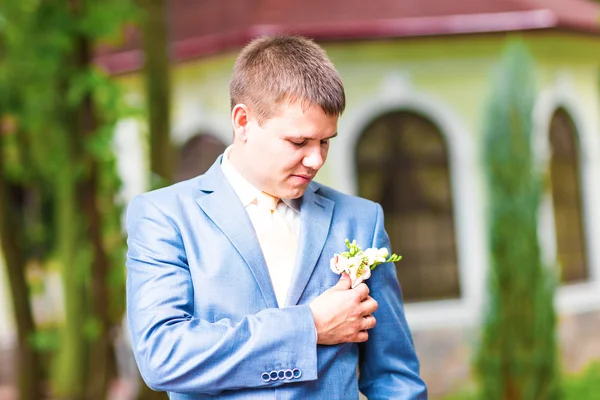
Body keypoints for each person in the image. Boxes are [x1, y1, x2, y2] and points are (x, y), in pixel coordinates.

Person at [126, 35, 427, 399]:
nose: (316, 160)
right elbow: (164, 356)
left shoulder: (360, 221)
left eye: (325, 141)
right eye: (299, 143)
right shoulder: (165, 217)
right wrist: (309, 327)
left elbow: (394, 378)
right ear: (243, 122)